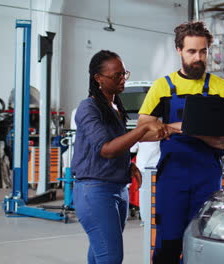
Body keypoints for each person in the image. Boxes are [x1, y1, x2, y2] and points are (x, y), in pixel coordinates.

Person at [137, 21, 224, 263]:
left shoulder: (221, 88)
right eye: (192, 51)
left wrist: (199, 133)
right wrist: (178, 128)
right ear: (179, 51)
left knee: (202, 244)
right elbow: (143, 132)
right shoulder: (163, 87)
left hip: (207, 177)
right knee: (168, 243)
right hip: (172, 177)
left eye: (203, 51)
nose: (198, 57)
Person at [71, 50, 172, 264]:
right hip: (95, 191)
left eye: (124, 73)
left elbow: (119, 141)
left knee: (100, 254)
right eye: (116, 75)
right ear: (98, 78)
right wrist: (142, 129)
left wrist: (127, 165)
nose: (122, 79)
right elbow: (106, 149)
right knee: (111, 257)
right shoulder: (88, 108)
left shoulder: (114, 106)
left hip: (117, 188)